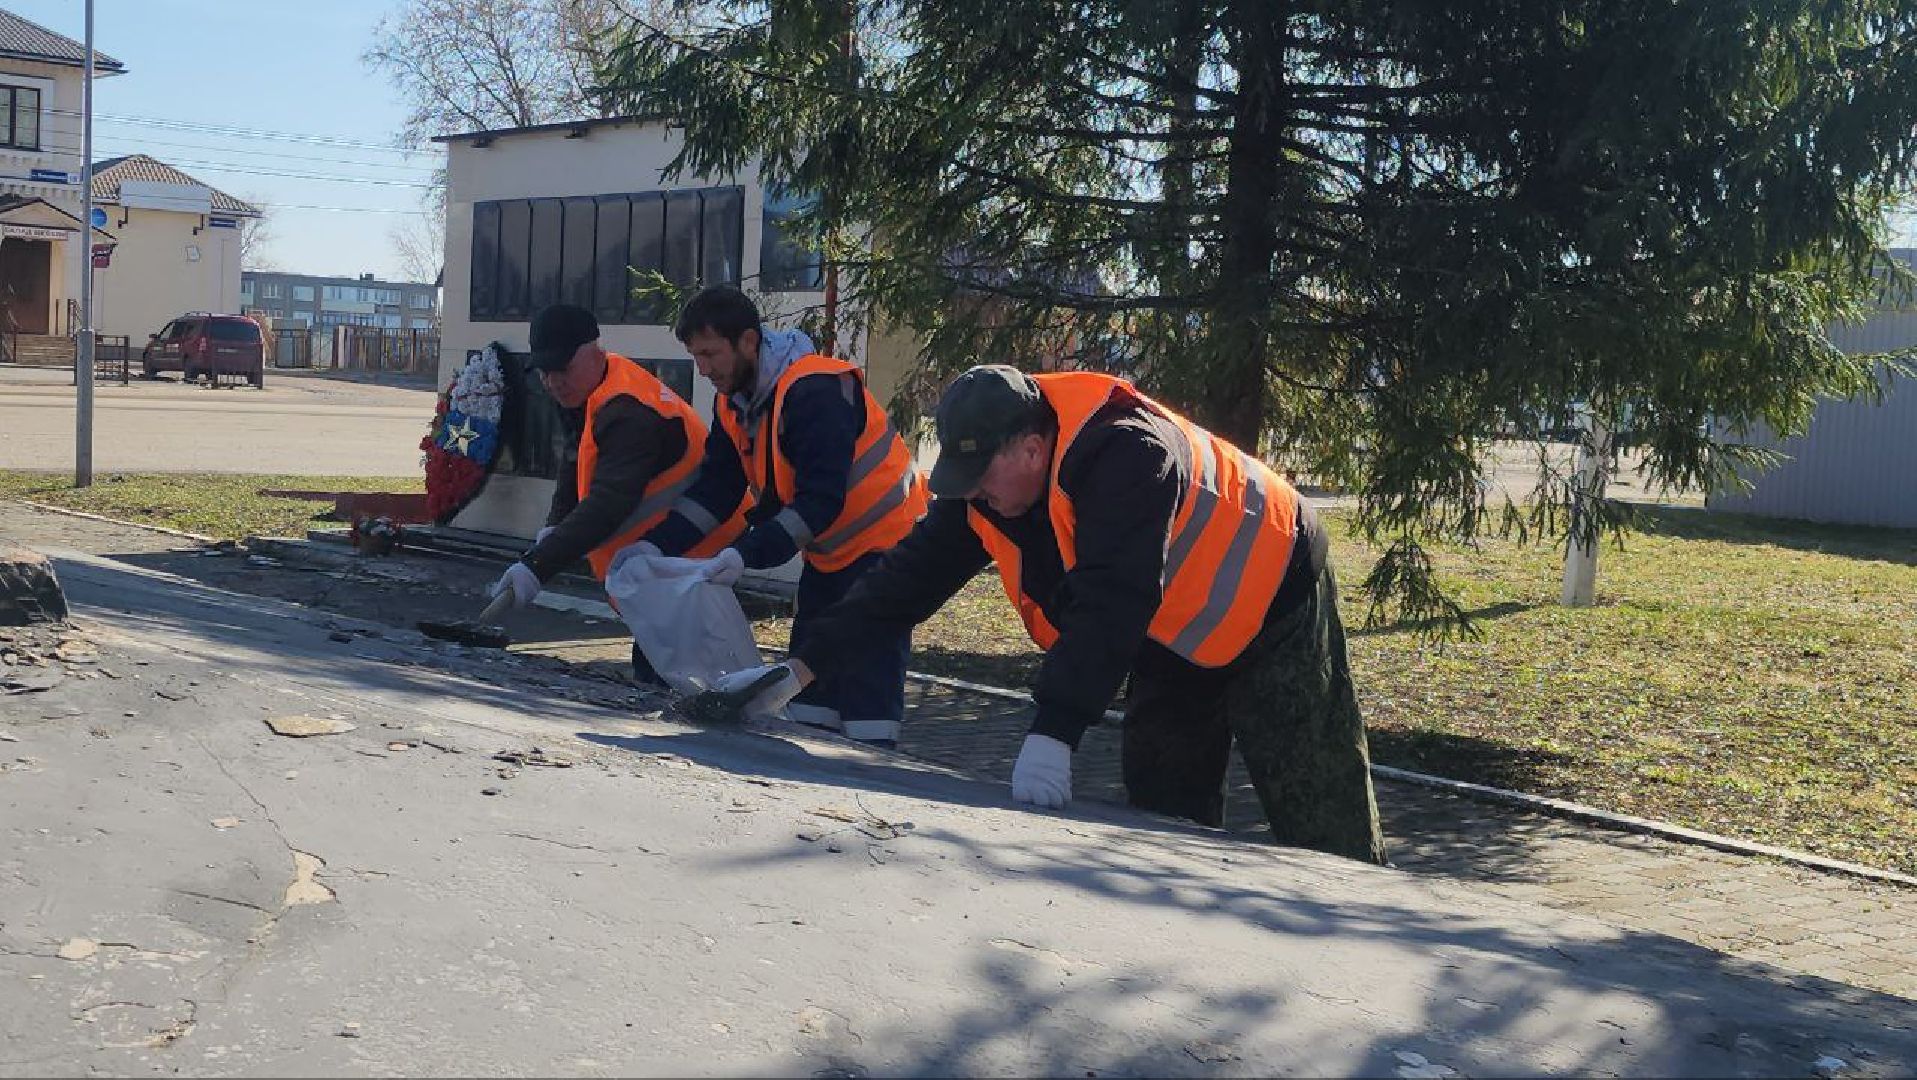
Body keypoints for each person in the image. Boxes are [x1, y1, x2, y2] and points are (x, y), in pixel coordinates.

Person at [710, 365, 1387, 864]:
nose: (970, 496)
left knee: (1320, 807)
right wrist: (798, 671)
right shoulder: (988, 487)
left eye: (980, 481)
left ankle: (1367, 935)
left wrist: (1055, 729)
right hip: (1168, 634)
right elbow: (900, 585)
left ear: (1031, 451)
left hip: (1274, 597)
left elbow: (1111, 597)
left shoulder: (1128, 453)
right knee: (1161, 808)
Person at [616, 285, 927, 745]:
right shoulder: (736, 402)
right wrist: (656, 545)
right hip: (831, 553)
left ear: (748, 341)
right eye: (695, 356)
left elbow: (821, 499)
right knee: (808, 693)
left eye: (711, 354)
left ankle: (873, 782)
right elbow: (717, 490)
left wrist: (744, 554)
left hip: (887, 552)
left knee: (867, 693)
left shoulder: (814, 389)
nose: (703, 370)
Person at [488, 303, 747, 684]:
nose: (553, 381)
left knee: (679, 675)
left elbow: (610, 502)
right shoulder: (589, 392)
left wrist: (538, 564)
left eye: (562, 368)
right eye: (544, 371)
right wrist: (554, 527)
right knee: (665, 669)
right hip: (663, 560)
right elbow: (575, 462)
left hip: (697, 555)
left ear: (593, 351)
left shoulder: (627, 411)